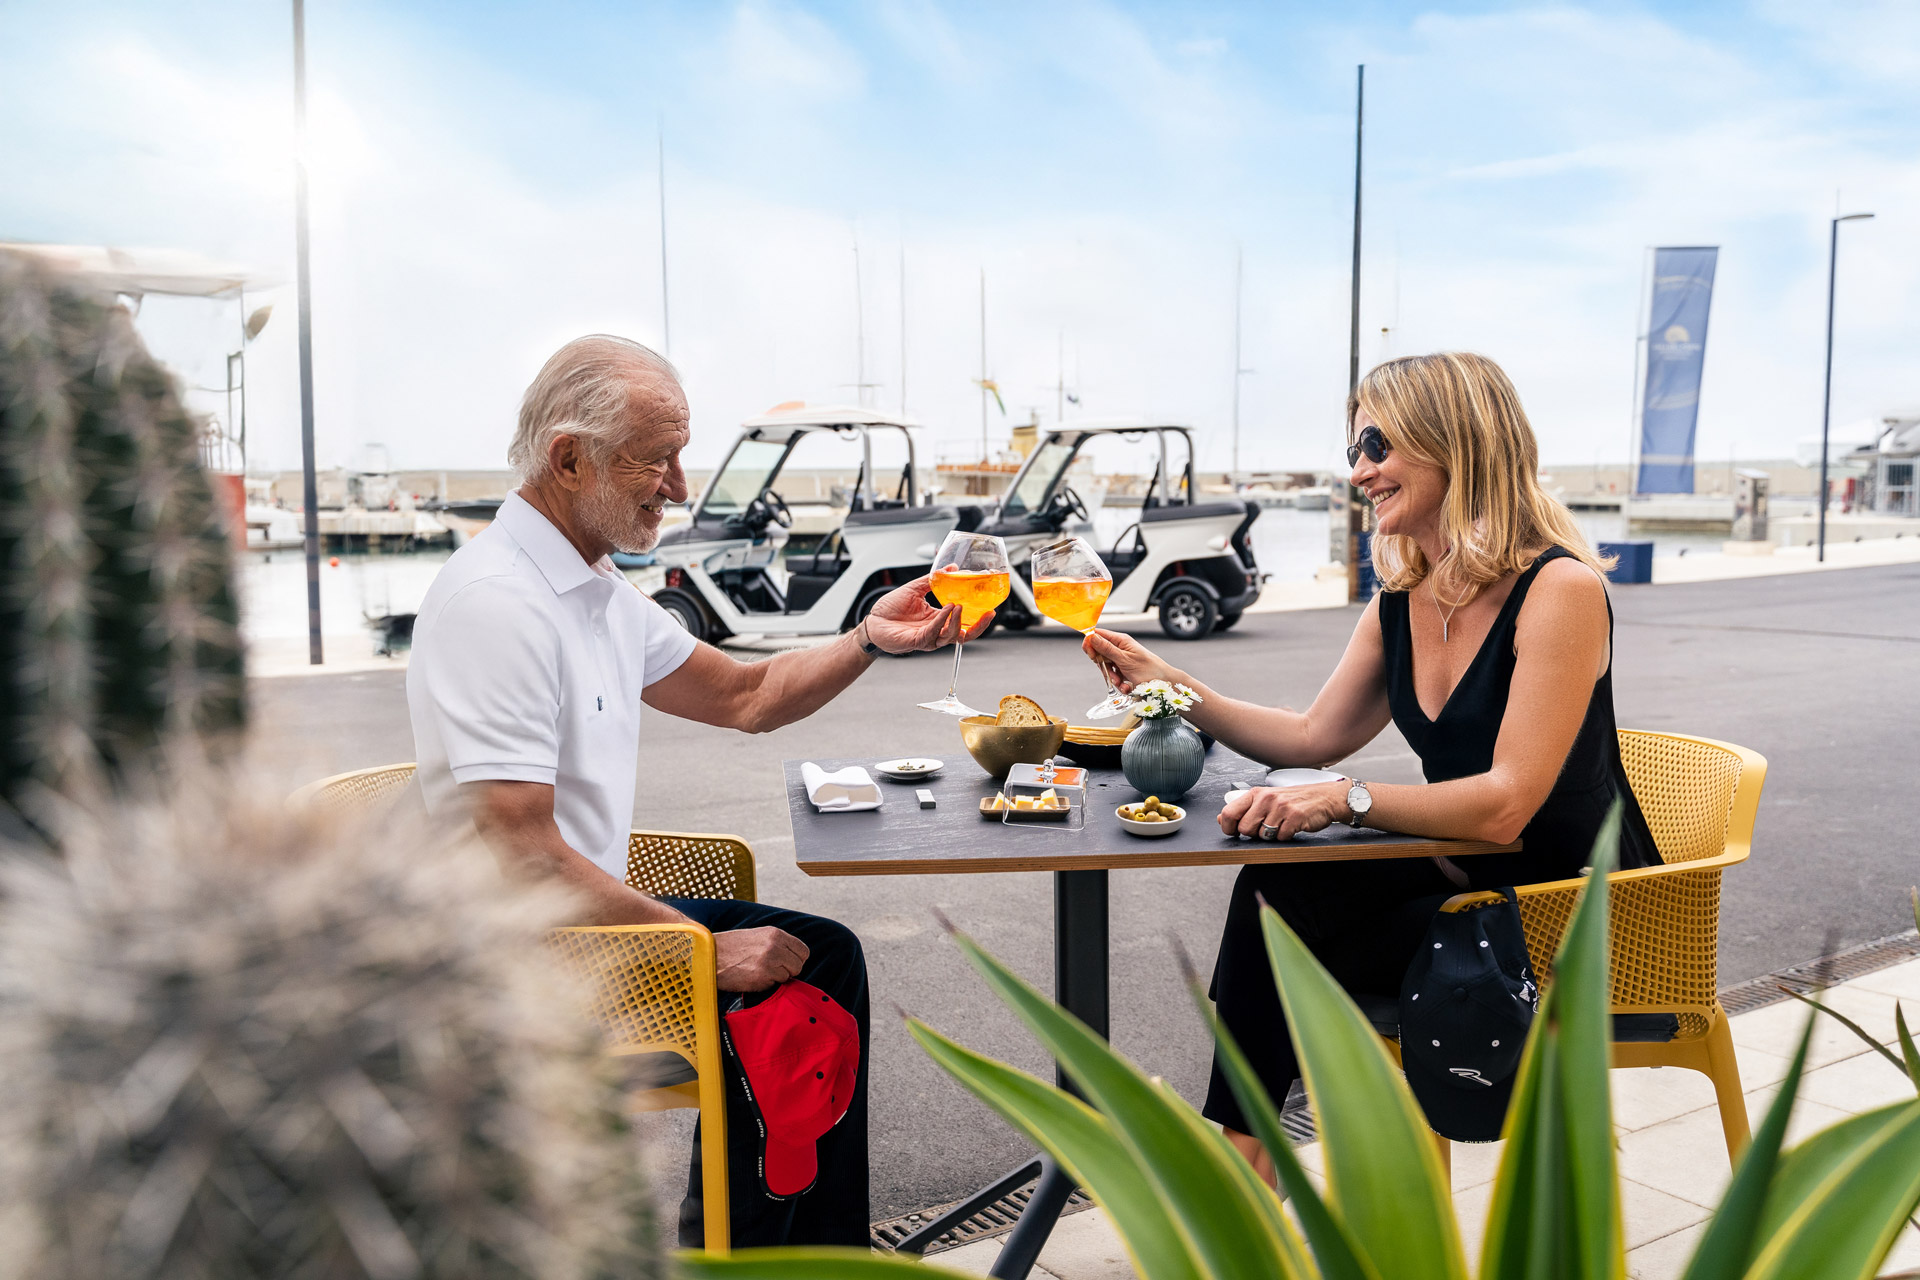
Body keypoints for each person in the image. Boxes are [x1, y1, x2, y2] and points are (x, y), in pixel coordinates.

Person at [406, 335, 990, 1247]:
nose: (679, 485)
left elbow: (746, 696)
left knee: (819, 957)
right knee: (789, 989)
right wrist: (694, 952)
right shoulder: (499, 603)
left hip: (574, 919)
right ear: (570, 458)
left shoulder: (588, 586)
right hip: (509, 954)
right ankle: (761, 1262)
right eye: (660, 458)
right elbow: (516, 850)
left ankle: (783, 1254)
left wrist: (870, 639)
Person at [1084, 351, 1659, 1180]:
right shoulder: (1403, 597)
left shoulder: (1558, 589)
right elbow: (1312, 735)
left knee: (1282, 928)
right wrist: (1170, 685)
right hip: (1472, 875)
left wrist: (1345, 800)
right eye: (1355, 452)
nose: (1360, 472)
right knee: (1275, 891)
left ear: (1452, 441)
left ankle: (1242, 1172)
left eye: (1377, 447)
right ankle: (1247, 1163)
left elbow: (1506, 807)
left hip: (1571, 909)